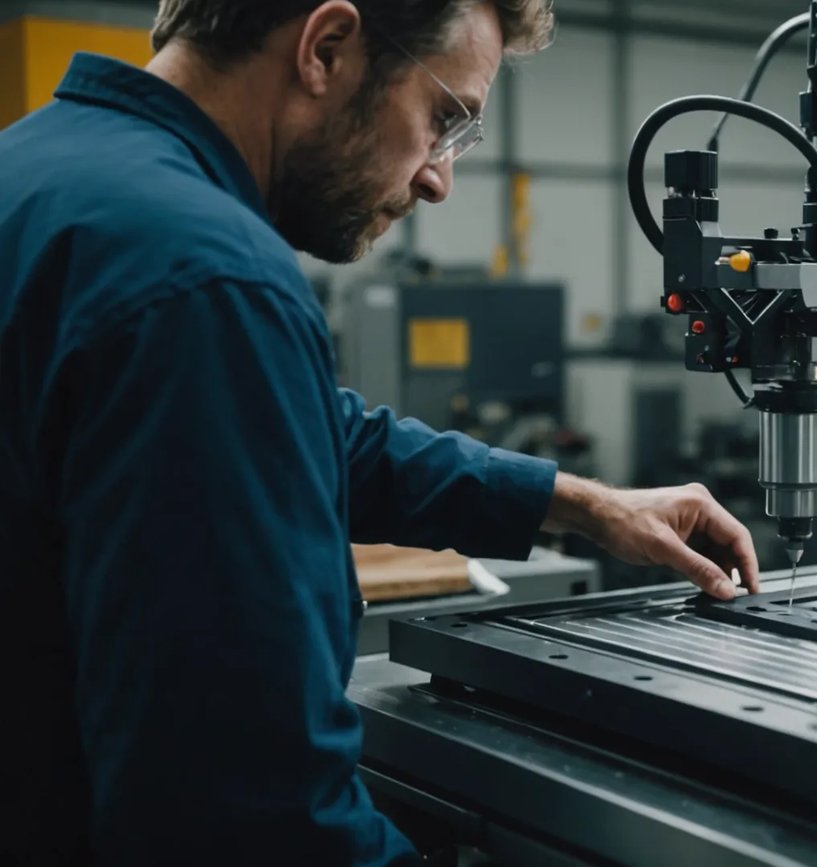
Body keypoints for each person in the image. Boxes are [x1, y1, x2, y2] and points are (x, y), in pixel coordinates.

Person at [0, 1, 761, 863]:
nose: (438, 177)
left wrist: (586, 503)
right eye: (443, 118)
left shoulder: (38, 174)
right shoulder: (206, 277)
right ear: (325, 48)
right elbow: (254, 816)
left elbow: (309, 432)